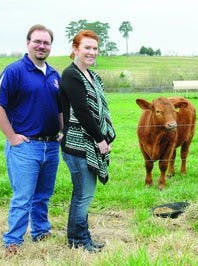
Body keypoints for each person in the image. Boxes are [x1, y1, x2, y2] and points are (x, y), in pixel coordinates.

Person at [0, 24, 62, 257]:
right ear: (27, 43)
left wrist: (61, 130)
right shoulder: (15, 71)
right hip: (25, 146)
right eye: (37, 41)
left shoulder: (54, 75)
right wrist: (11, 137)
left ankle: (40, 230)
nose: (41, 46)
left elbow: (60, 107)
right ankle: (13, 240)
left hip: (51, 146)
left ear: (50, 46)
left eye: (46, 42)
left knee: (43, 195)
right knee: (23, 197)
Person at [60, 30, 115, 253]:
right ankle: (78, 241)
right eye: (87, 48)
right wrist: (100, 139)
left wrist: (105, 134)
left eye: (95, 48)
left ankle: (83, 237)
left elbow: (100, 109)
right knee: (83, 195)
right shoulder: (71, 74)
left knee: (83, 194)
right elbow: (82, 112)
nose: (92, 52)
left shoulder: (91, 76)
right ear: (75, 49)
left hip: (88, 142)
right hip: (78, 145)